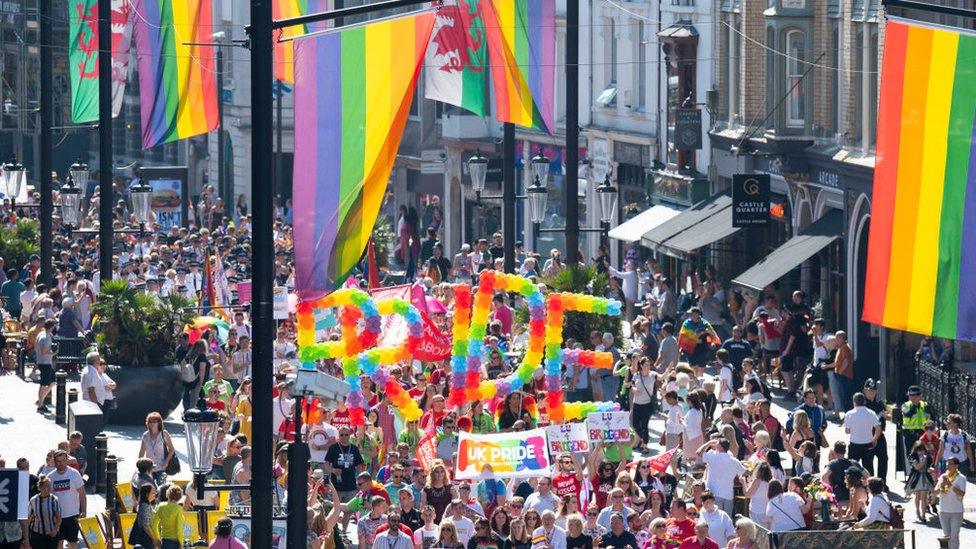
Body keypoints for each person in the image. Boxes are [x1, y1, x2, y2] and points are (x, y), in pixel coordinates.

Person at [697, 438, 745, 516]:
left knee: (715, 518)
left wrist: (709, 443)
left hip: (714, 494)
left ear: (719, 446)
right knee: (726, 519)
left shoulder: (712, 456)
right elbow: (745, 472)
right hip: (728, 495)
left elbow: (698, 452)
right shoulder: (734, 461)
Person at [47, 450, 85, 549]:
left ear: (67, 460)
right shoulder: (50, 477)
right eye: (58, 461)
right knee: (58, 542)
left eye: (63, 460)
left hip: (72, 514)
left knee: (72, 542)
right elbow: (48, 498)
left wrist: (83, 510)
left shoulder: (74, 474)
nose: (61, 463)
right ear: (54, 462)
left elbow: (82, 494)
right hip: (57, 516)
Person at [843, 392, 882, 475]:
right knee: (869, 469)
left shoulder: (849, 414)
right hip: (867, 445)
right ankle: (870, 486)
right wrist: (874, 439)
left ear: (854, 402)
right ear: (864, 401)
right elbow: (878, 428)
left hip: (854, 445)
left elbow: (847, 431)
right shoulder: (871, 413)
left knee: (852, 468)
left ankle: (852, 486)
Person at [937, 457, 966, 549]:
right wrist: (940, 486)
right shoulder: (943, 476)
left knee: (954, 537)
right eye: (946, 464)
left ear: (956, 466)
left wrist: (951, 485)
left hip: (956, 511)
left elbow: (962, 494)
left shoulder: (961, 478)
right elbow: (935, 492)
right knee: (946, 536)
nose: (947, 466)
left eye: (950, 464)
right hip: (943, 510)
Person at [139, 412, 176, 484]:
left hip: (161, 467)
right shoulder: (145, 435)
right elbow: (142, 452)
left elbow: (171, 449)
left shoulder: (164, 434)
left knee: (161, 488)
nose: (152, 423)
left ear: (159, 423)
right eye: (150, 421)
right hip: (148, 468)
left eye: (155, 421)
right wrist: (140, 466)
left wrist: (166, 462)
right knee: (149, 489)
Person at [935, 413, 975, 478]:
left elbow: (969, 451)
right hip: (947, 463)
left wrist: (971, 464)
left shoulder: (964, 435)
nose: (947, 424)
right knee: (947, 485)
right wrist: (936, 463)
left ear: (955, 424)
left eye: (949, 422)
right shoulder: (945, 435)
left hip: (961, 463)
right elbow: (941, 450)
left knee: (960, 484)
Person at [27, 475, 60, 549]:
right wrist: (25, 536)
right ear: (40, 487)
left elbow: (59, 518)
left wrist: (55, 530)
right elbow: (29, 518)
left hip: (51, 534)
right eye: (47, 486)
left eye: (50, 486)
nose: (49, 488)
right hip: (37, 534)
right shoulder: (33, 500)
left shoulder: (54, 499)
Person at [34, 319, 57, 414]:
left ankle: (41, 400)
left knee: (52, 382)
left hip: (41, 361)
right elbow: (44, 352)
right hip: (45, 363)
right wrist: (54, 352)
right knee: (43, 385)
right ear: (52, 327)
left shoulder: (41, 334)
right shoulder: (46, 337)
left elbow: (37, 347)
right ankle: (40, 405)